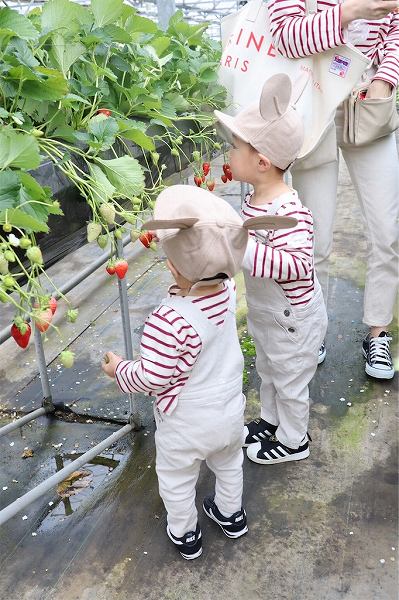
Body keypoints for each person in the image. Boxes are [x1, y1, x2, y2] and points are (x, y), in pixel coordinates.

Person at [101, 185, 287, 559]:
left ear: (171, 265)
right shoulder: (227, 291)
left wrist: (119, 370)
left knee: (176, 477)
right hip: (229, 411)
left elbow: (153, 376)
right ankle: (231, 514)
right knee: (229, 465)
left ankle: (185, 532)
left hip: (185, 422)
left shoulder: (166, 320)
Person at [268, 0, 399, 379]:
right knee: (313, 236)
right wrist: (350, 12)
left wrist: (384, 78)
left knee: (387, 230)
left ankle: (378, 330)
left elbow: (394, 29)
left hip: (367, 102)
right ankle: (313, 326)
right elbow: (286, 36)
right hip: (313, 101)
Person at [214, 73, 328, 465]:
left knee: (291, 381)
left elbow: (296, 265)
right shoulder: (255, 199)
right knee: (268, 369)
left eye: (235, 148)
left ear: (261, 162)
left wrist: (242, 247)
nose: (228, 154)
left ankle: (295, 439)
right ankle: (270, 419)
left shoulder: (291, 212)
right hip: (270, 319)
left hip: (294, 321)